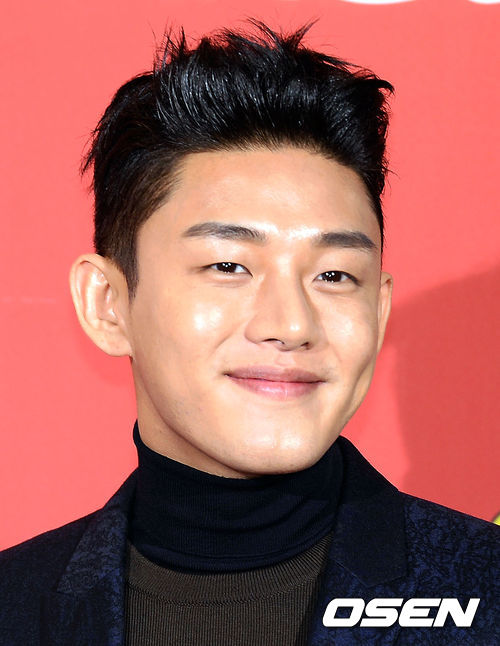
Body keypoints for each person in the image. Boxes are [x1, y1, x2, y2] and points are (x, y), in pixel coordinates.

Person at [0, 21, 498, 646]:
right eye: (228, 267)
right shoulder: (15, 605)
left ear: (378, 309)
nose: (291, 325)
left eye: (335, 275)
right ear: (108, 303)